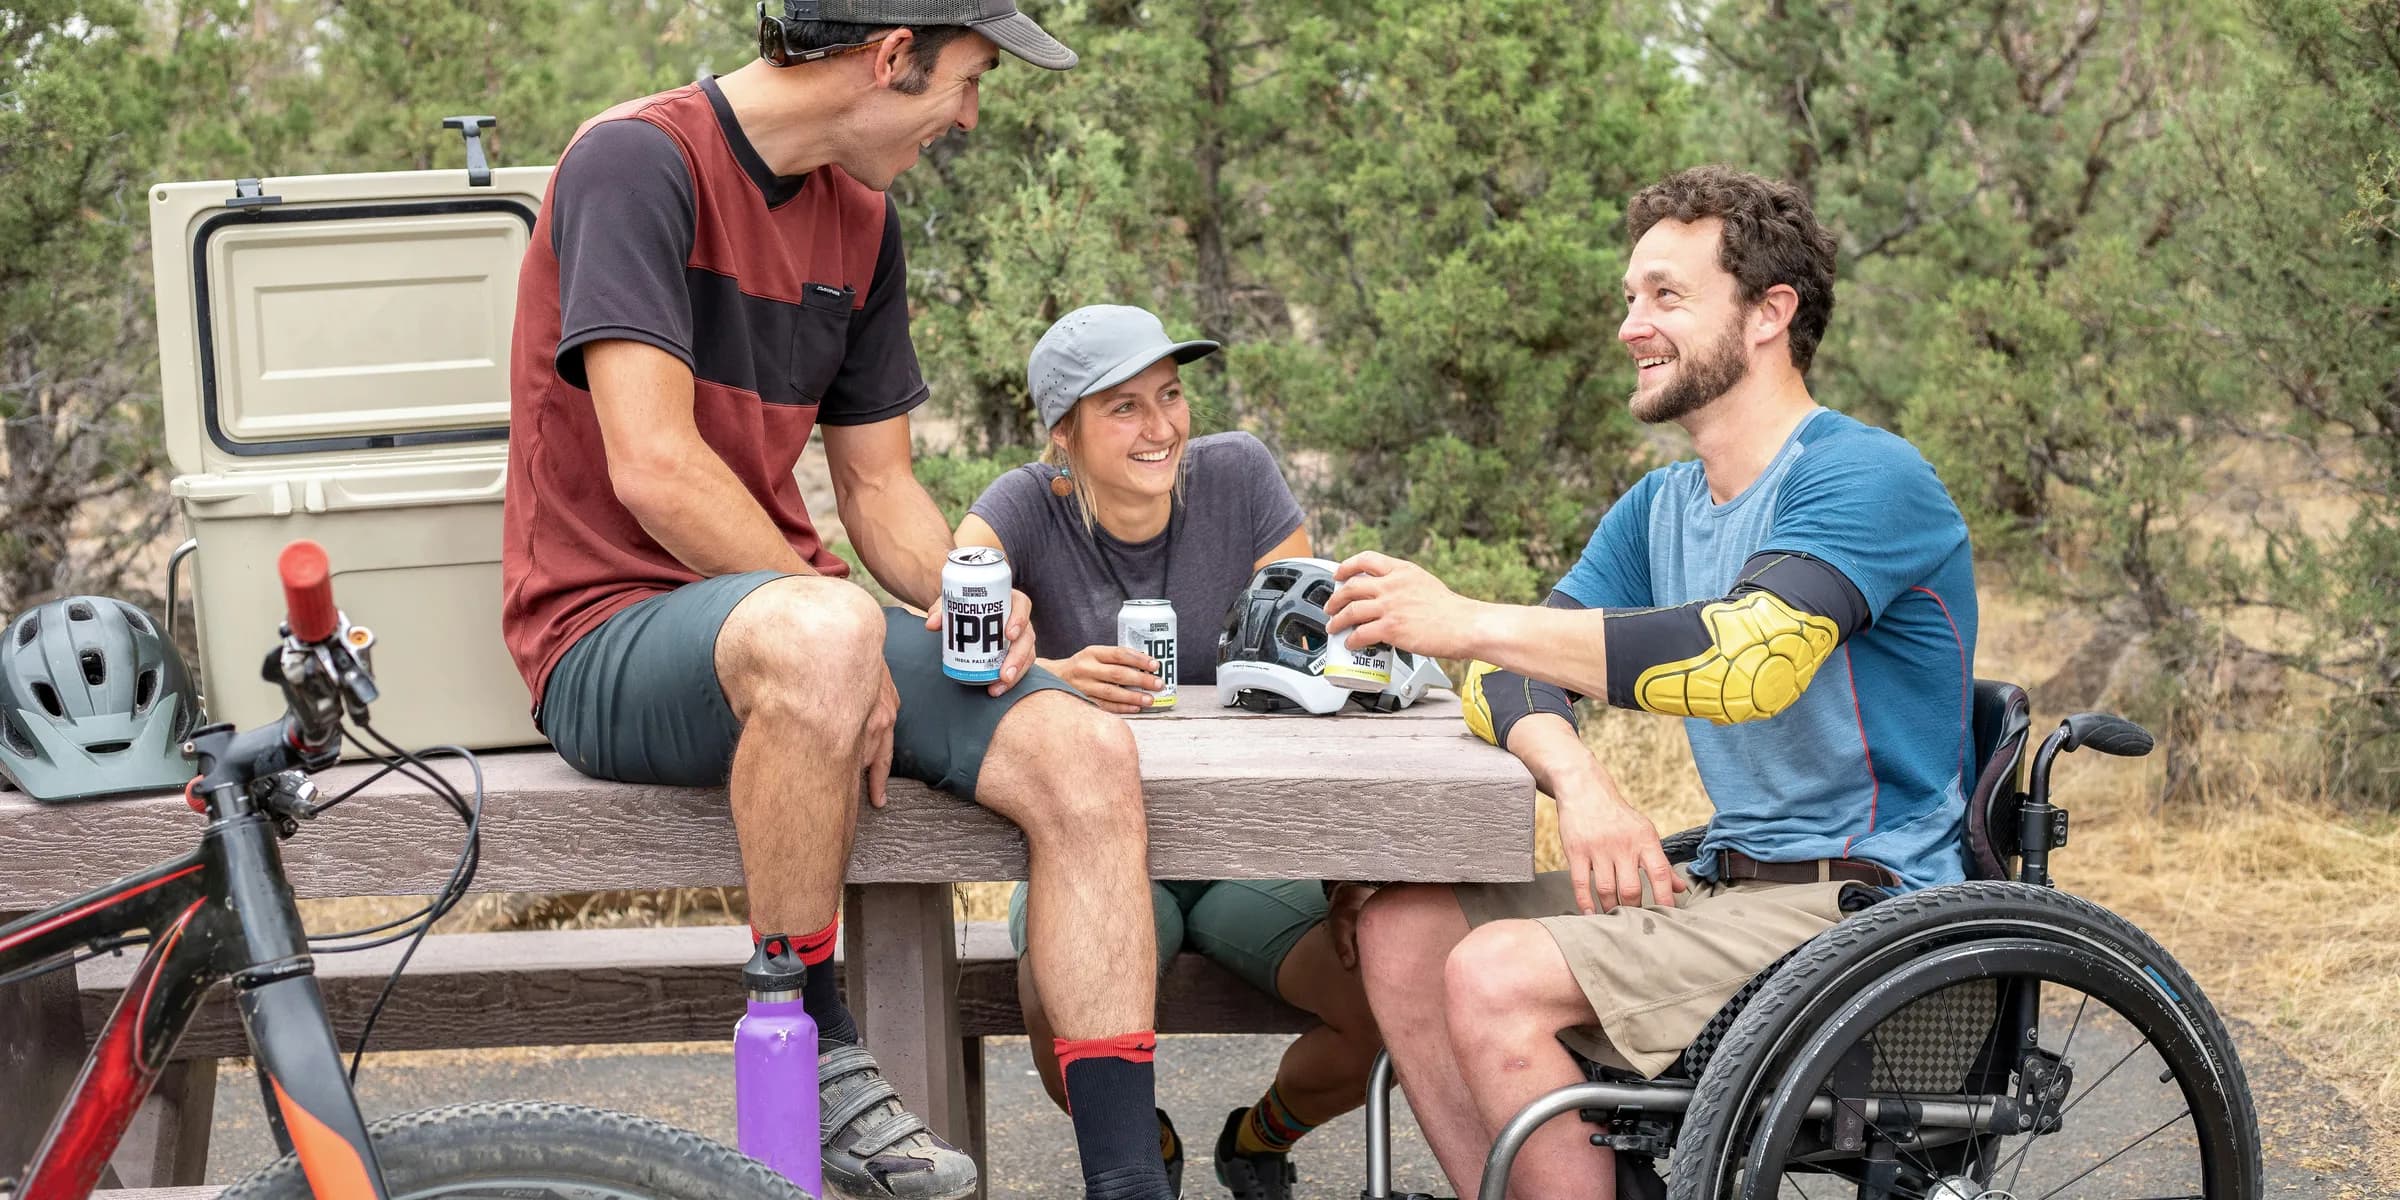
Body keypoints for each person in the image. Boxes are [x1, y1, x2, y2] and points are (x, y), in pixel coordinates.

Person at [498, 9, 1178, 1200]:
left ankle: (1130, 1182)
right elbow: (652, 466)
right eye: (963, 84)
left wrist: (972, 590)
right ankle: (814, 1047)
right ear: (888, 54)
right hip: (603, 632)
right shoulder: (634, 161)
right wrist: (846, 631)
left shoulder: (862, 218)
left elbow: (878, 488)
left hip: (791, 629)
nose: (966, 117)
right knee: (826, 629)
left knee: (1084, 754)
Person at [1326, 166, 1978, 1199]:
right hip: (1730, 884)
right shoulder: (1662, 506)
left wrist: (1462, 618)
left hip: (1865, 917)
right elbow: (1502, 680)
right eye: (1631, 297)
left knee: (1493, 975)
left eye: (1667, 296)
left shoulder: (1866, 478)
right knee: (1402, 921)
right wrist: (1580, 785)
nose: (1632, 325)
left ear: (1771, 313)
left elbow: (1747, 661)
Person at [954, 305, 1382, 1200]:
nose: (1161, 428)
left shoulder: (1241, 475)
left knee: (1381, 1006)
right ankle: (1147, 1150)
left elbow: (1318, 673)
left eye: (1172, 395)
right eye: (1124, 408)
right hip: (1089, 850)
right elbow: (954, 624)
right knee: (1051, 1007)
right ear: (1061, 433)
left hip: (1245, 853)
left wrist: (1349, 874)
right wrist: (1047, 675)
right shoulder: (1021, 504)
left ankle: (1256, 1142)